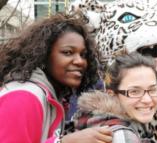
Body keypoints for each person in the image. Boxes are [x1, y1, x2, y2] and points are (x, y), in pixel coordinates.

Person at [0, 13, 113, 143]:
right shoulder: (23, 97)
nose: (80, 61)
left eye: (83, 55)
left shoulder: (52, 96)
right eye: (67, 52)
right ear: (43, 54)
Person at [73, 52, 157, 143]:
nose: (147, 100)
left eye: (152, 90)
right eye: (134, 92)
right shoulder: (121, 136)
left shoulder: (89, 120)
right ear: (112, 94)